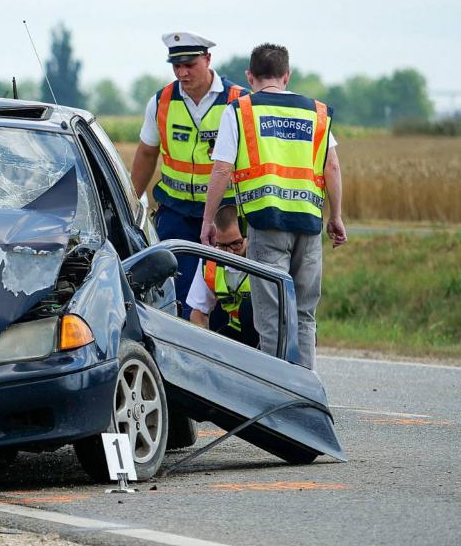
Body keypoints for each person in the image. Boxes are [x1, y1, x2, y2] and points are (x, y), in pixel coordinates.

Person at [201, 43, 347, 366]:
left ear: (250, 76)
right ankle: (306, 394)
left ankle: (276, 399)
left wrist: (208, 220)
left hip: (266, 227)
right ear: (286, 75)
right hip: (308, 227)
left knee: (272, 319)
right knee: (304, 316)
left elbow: (222, 168)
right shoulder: (315, 112)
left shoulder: (240, 110)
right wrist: (335, 216)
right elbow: (332, 167)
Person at [130, 32, 248, 318]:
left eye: (190, 64)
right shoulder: (162, 102)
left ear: (208, 59)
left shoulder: (239, 101)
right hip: (176, 214)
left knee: (224, 292)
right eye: (176, 65)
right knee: (178, 296)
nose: (182, 72)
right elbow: (147, 154)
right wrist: (131, 201)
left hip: (226, 215)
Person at [187, 205, 258, 347]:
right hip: (236, 331)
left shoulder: (263, 256)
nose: (230, 254)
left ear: (248, 235)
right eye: (223, 246)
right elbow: (198, 313)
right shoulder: (210, 262)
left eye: (236, 244)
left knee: (248, 306)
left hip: (264, 334)